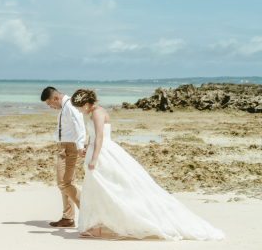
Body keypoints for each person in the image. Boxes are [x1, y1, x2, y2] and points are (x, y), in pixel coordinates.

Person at [72, 89, 224, 241]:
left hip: (104, 154)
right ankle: (95, 227)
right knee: (97, 189)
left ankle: (127, 227)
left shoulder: (98, 112)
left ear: (85, 104)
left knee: (115, 188)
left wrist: (94, 158)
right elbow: (93, 136)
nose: (78, 111)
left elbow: (100, 137)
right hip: (97, 152)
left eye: (78, 107)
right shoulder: (93, 113)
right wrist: (87, 148)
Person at [41, 86, 86, 228]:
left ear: (56, 98)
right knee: (65, 184)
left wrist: (79, 147)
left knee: (64, 183)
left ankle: (90, 212)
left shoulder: (70, 105)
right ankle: (68, 218)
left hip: (71, 149)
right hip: (64, 147)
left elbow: (79, 125)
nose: (50, 107)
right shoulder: (65, 106)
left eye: (49, 104)